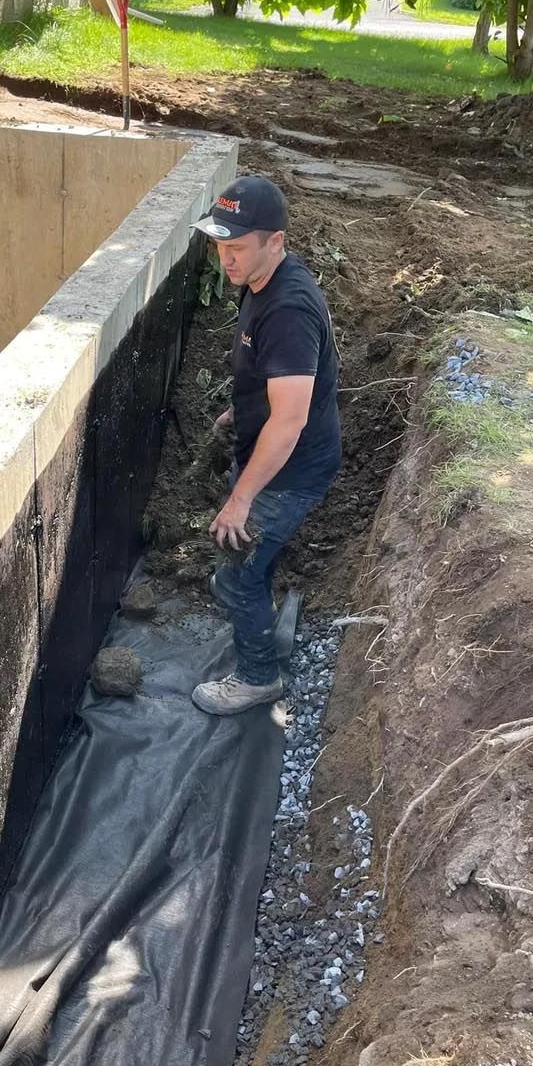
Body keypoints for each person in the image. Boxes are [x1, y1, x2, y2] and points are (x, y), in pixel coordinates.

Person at [189, 175, 341, 716]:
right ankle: (258, 607)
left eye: (237, 247)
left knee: (235, 577)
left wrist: (241, 498)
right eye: (219, 245)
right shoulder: (258, 281)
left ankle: (259, 678)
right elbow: (277, 382)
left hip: (290, 469)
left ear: (274, 242)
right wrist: (242, 409)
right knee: (243, 567)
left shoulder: (289, 311)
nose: (224, 259)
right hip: (271, 452)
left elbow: (290, 420)